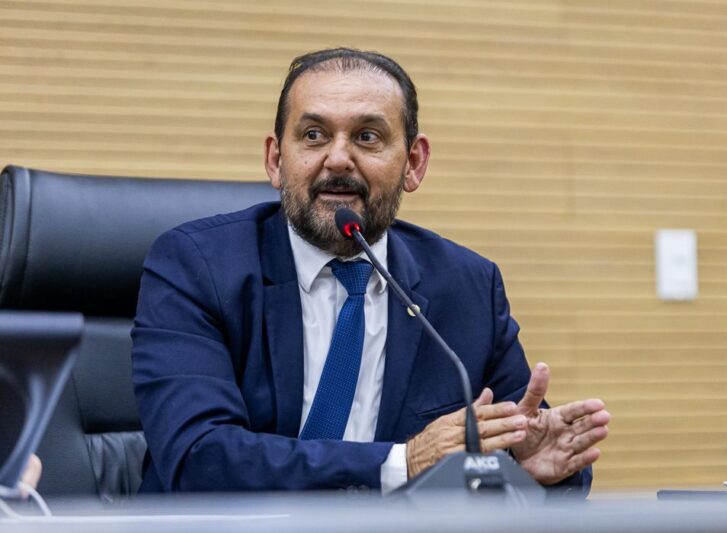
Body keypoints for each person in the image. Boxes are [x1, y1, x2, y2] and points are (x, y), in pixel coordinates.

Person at [131, 48, 610, 494]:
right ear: (276, 160)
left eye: (367, 137)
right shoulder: (197, 266)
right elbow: (199, 457)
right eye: (313, 135)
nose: (339, 159)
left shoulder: (466, 287)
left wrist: (528, 467)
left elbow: (525, 443)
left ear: (413, 163)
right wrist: (402, 463)